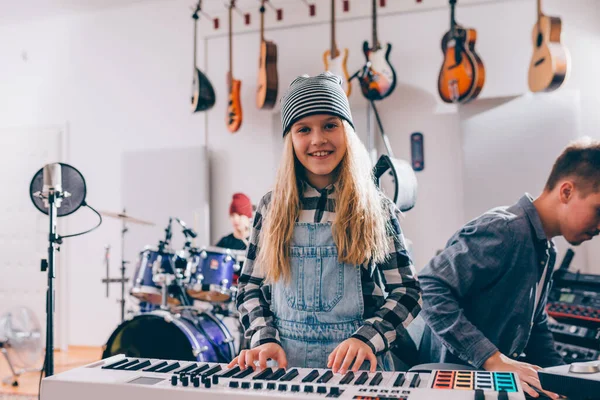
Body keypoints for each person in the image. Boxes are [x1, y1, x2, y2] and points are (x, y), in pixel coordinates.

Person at [229, 72, 422, 374]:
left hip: (358, 373)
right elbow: (250, 287)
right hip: (285, 369)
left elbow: (408, 292)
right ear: (290, 140)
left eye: (330, 125)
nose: (318, 139)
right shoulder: (271, 208)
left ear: (347, 132)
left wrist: (367, 339)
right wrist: (263, 338)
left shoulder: (376, 208)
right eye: (303, 129)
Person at [418, 137, 600, 399]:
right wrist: (493, 360)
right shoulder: (504, 230)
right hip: (459, 380)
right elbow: (428, 286)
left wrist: (563, 380)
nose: (599, 226)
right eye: (599, 210)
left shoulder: (546, 250)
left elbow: (535, 325)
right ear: (567, 191)